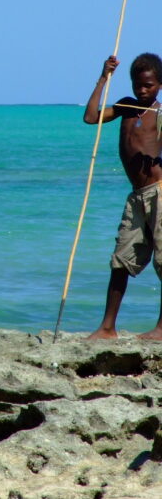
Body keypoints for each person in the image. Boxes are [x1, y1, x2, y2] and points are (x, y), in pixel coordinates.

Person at [85, 52, 162, 339]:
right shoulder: (124, 106)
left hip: (160, 193)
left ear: (160, 85)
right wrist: (104, 77)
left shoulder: (160, 113)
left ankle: (161, 328)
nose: (142, 90)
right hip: (137, 196)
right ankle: (108, 327)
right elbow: (91, 117)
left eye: (149, 86)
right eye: (138, 85)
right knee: (121, 259)